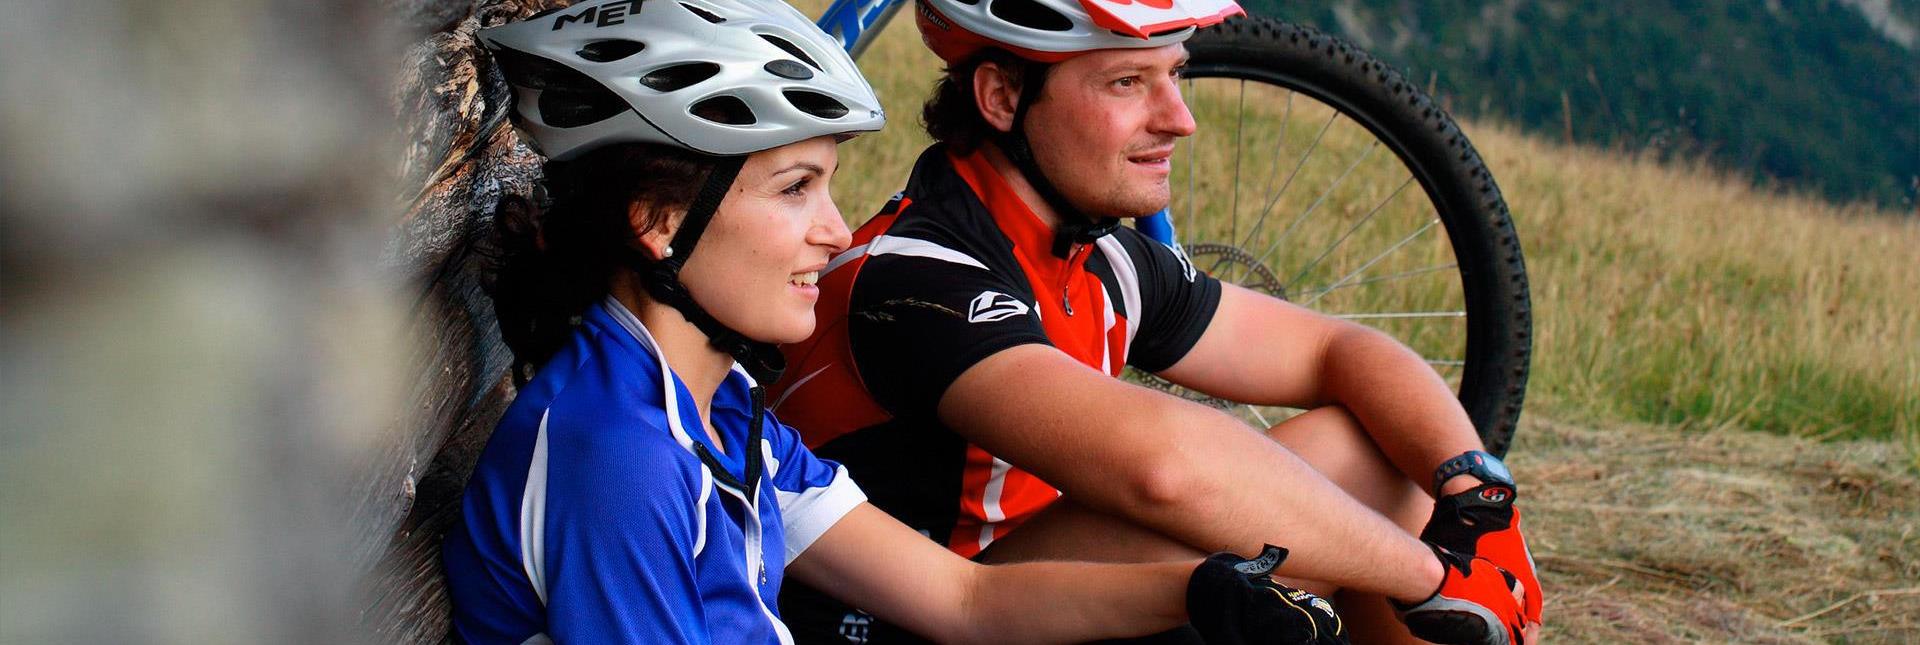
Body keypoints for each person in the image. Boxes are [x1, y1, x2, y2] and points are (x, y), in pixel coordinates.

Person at [441, 1, 1351, 643]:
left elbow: (965, 603)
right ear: (659, 221)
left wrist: (1200, 589)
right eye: (795, 189)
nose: (837, 232)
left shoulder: (715, 409)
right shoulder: (619, 458)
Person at [771, 0, 1544, 643]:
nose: (1179, 119)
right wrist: (1437, 577)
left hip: (1021, 591)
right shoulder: (916, 276)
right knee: (1328, 499)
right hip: (913, 617)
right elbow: (1166, 468)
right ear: (1002, 98)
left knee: (1374, 458)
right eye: (1126, 83)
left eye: (1174, 76)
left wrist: (1477, 493)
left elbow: (1336, 347)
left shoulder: (1098, 252)